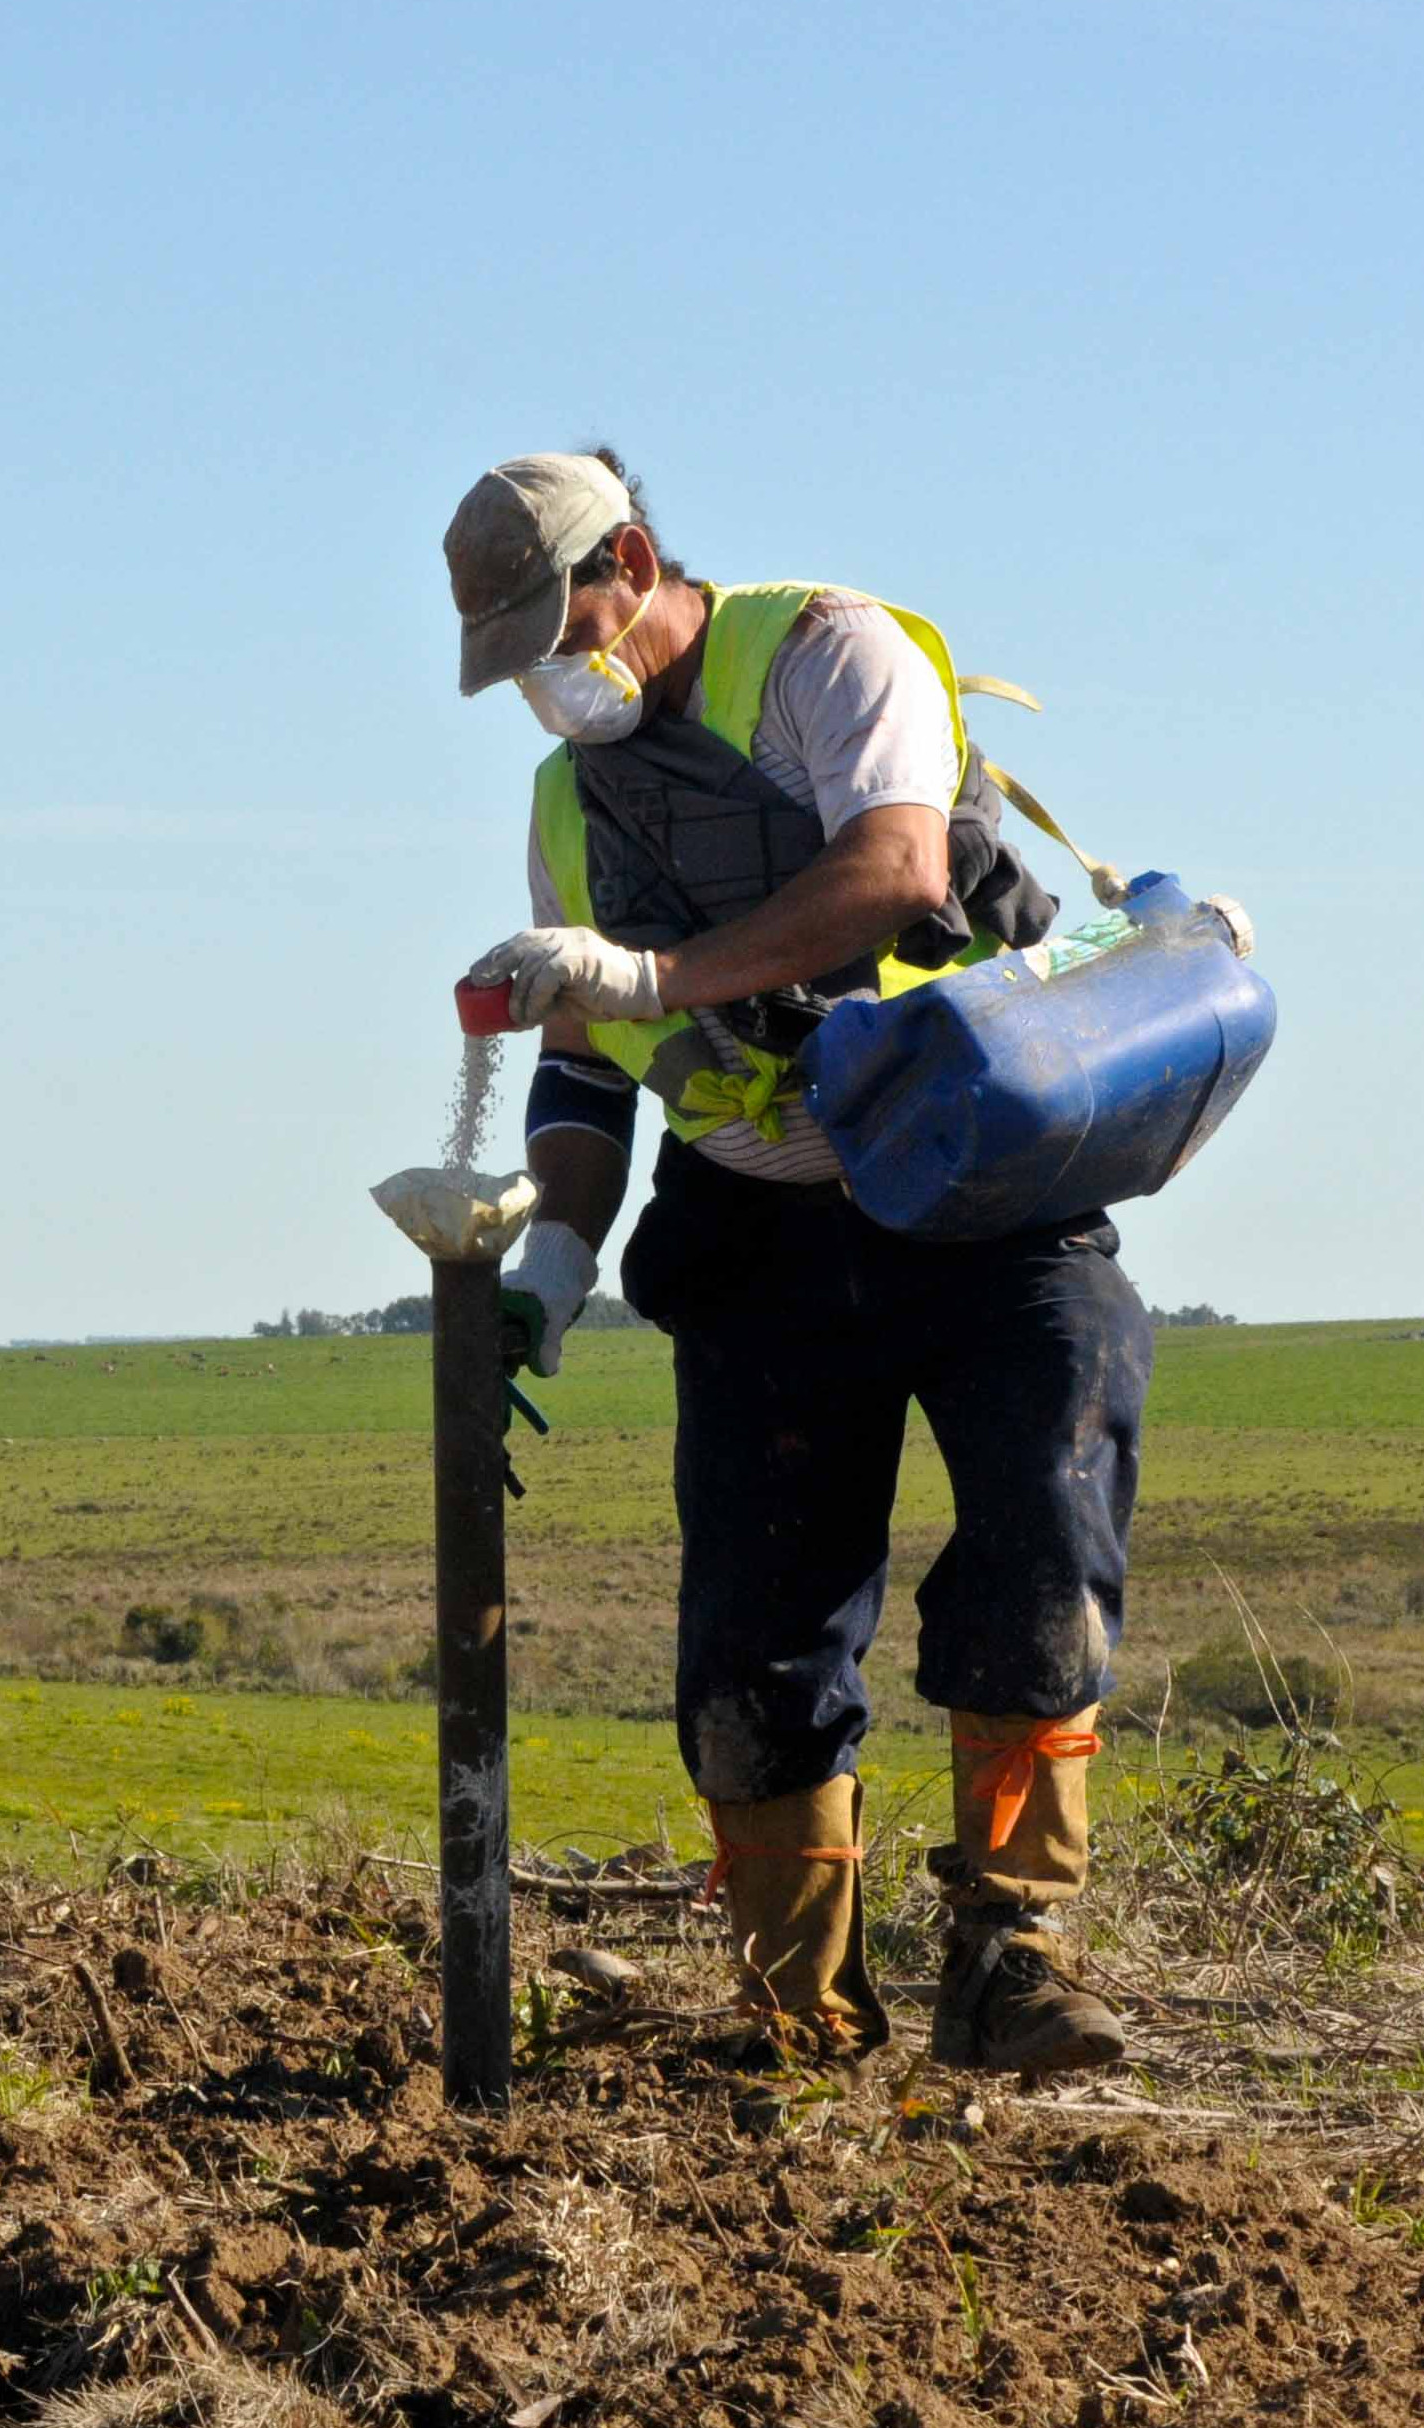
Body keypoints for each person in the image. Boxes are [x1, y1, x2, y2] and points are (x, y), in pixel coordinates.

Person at [446, 451, 1153, 2074]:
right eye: (513, 668)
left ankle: (1013, 1955)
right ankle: (800, 2034)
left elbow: (894, 871)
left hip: (981, 1190)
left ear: (626, 557)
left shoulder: (828, 658)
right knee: (752, 1655)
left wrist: (650, 966)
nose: (544, 691)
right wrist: (553, 1257)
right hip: (757, 1229)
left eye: (556, 630)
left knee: (1039, 1550)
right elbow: (582, 1062)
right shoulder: (568, 806)